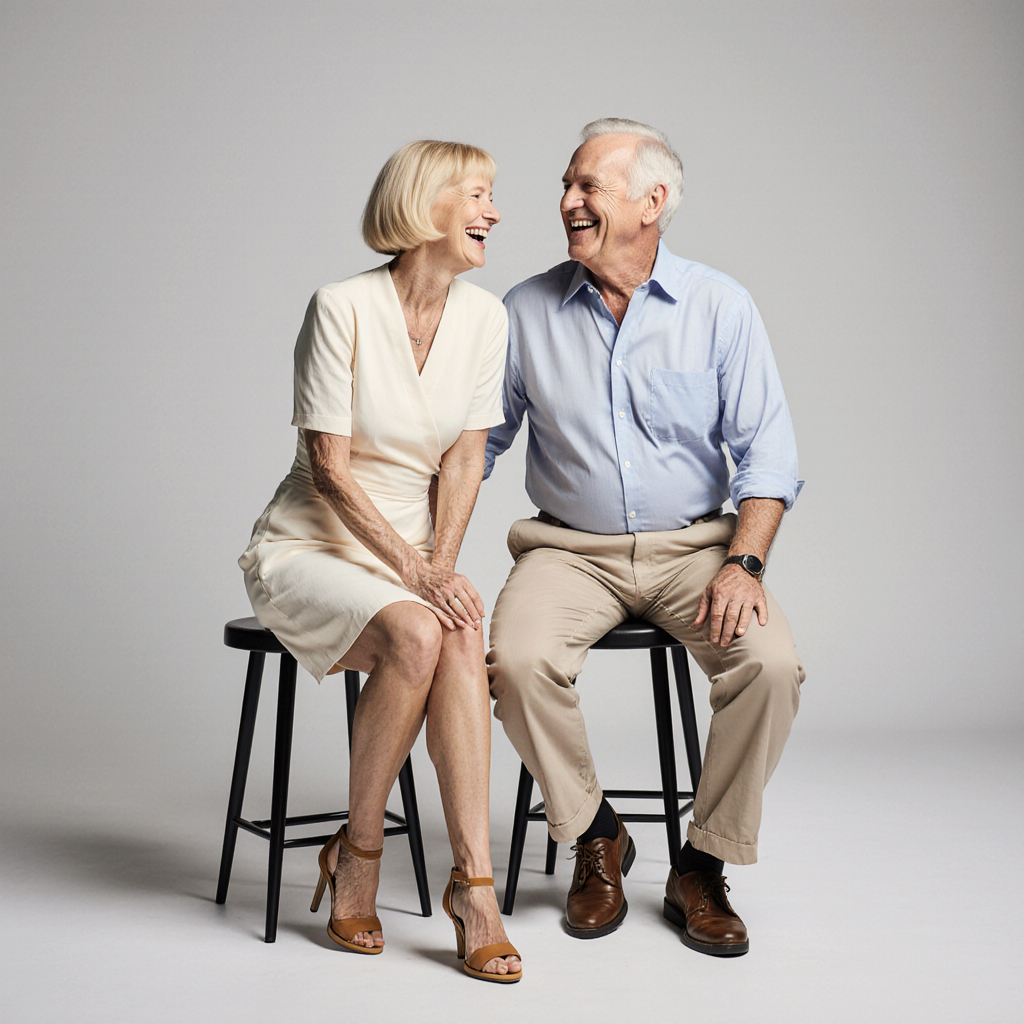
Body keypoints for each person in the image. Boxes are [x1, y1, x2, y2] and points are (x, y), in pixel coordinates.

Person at [485, 118, 805, 957]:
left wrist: (744, 561)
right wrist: (407, 539)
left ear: (652, 202)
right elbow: (478, 443)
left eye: (589, 186)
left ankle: (701, 862)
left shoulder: (720, 305)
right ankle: (597, 832)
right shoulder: (525, 309)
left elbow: (768, 452)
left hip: (698, 550)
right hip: (568, 551)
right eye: (568, 184)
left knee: (770, 668)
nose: (567, 201)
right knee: (516, 663)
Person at [239, 140, 521, 982]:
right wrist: (418, 575)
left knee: (457, 632)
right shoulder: (341, 306)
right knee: (420, 632)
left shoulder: (485, 318)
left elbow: (467, 460)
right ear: (425, 204)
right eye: (477, 195)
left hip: (407, 559)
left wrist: (439, 568)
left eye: (492, 197)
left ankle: (474, 888)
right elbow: (328, 465)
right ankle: (359, 856)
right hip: (311, 543)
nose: (494, 213)